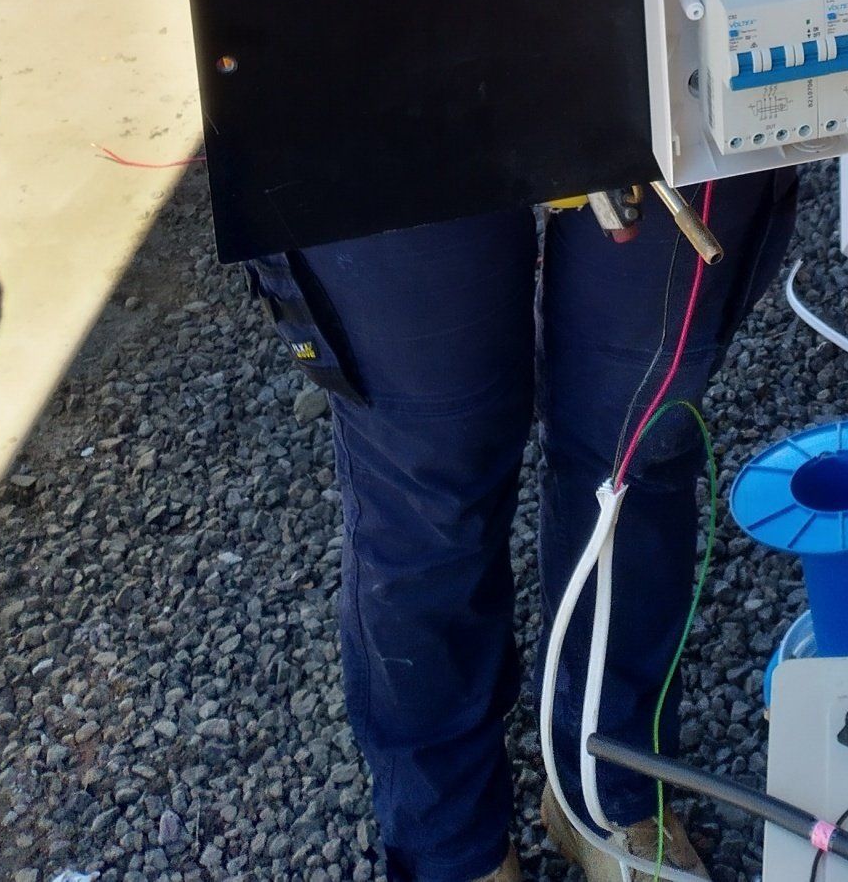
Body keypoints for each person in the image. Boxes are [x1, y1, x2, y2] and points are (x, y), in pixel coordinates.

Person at [251, 170, 799, 882]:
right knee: (429, 491)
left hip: (664, 77)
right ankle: (453, 850)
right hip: (375, 85)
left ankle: (608, 796)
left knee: (632, 458)